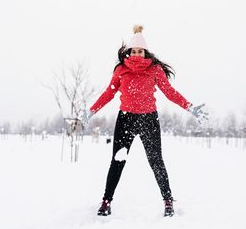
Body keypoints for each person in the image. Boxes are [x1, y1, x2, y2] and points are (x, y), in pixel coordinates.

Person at [84, 25, 208, 217]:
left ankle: (168, 201)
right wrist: (91, 111)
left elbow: (169, 92)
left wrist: (190, 107)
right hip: (125, 119)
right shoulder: (121, 70)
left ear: (145, 52)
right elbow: (109, 93)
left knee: (156, 161)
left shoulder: (155, 69)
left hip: (149, 119)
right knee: (117, 162)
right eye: (133, 51)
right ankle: (106, 202)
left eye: (140, 51)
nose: (136, 54)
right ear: (129, 51)